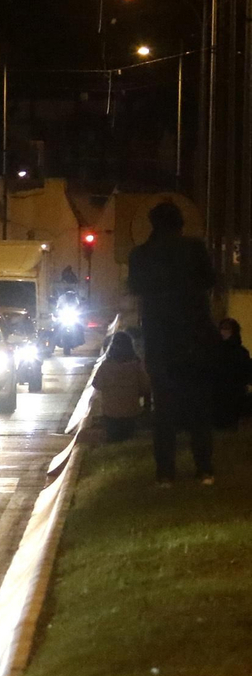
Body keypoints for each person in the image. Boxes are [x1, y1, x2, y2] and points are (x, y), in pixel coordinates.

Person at [127, 200, 217, 485]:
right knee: (198, 408)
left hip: (160, 342)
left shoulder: (141, 255)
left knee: (163, 411)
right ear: (180, 223)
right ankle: (204, 469)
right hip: (195, 339)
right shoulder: (194, 249)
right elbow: (210, 281)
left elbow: (135, 288)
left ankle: (165, 472)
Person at [92, 331, 149, 443]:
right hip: (131, 411)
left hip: (110, 412)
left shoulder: (106, 366)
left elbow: (96, 384)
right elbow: (145, 386)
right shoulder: (136, 366)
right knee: (129, 438)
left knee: (113, 438)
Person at [214, 317, 252, 430]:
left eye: (227, 329)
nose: (224, 332)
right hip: (219, 393)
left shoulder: (240, 352)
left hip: (233, 394)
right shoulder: (215, 350)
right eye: (222, 328)